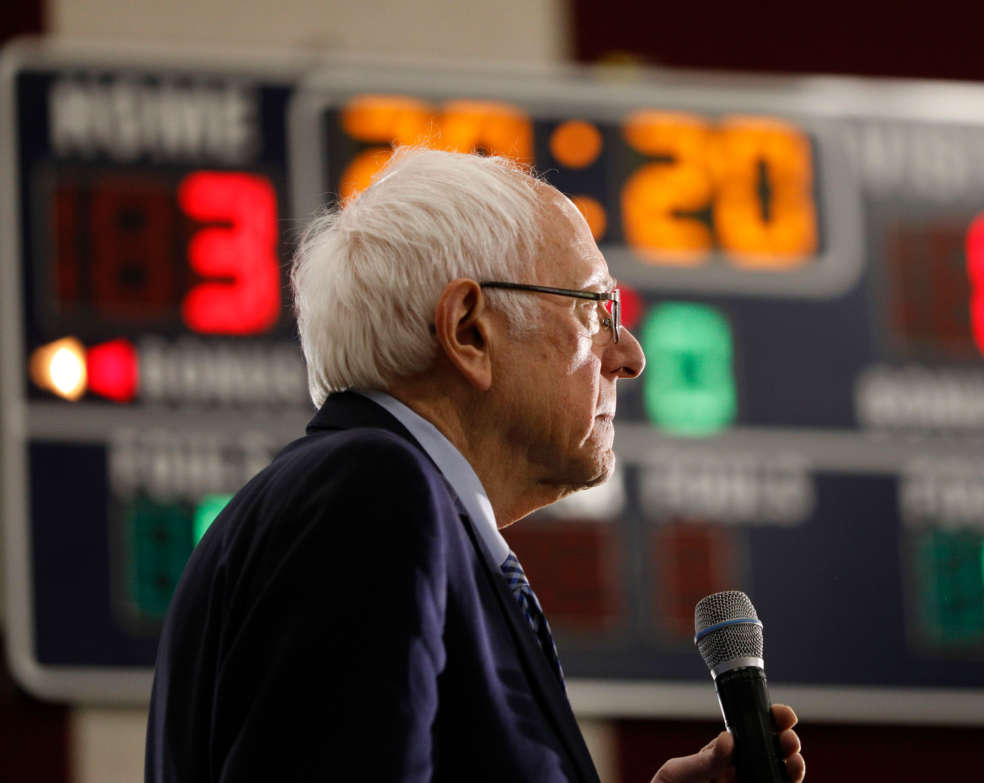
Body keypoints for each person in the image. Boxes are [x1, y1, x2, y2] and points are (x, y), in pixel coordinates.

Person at [145, 146, 805, 782]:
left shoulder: (350, 496)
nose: (630, 354)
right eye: (597, 308)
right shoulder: (372, 492)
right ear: (468, 329)